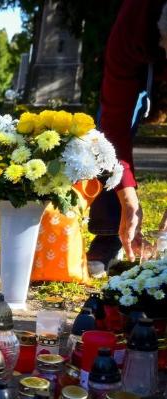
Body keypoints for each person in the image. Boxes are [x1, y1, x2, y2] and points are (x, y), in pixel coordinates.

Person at [87, 0, 167, 274]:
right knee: (104, 132)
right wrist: (128, 199)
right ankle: (111, 229)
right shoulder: (135, 20)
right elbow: (114, 126)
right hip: (141, 50)